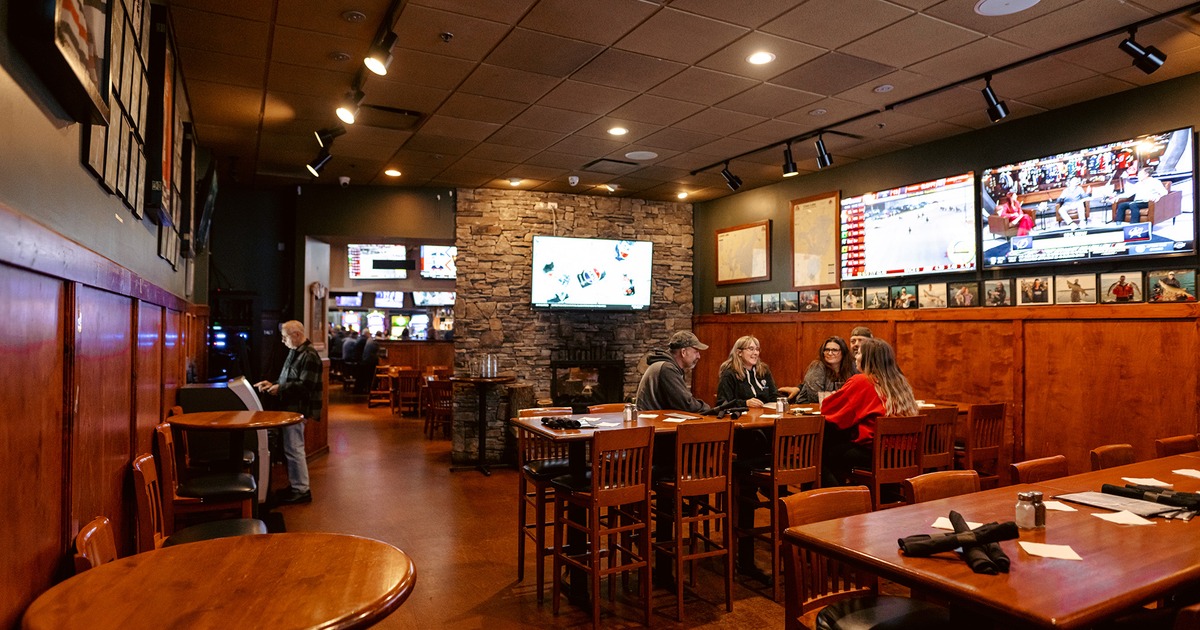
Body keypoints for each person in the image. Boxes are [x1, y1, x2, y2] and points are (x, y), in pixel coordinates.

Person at [819, 338, 918, 487]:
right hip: (904, 455)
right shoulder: (899, 382)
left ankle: (839, 503)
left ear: (867, 359)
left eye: (859, 353)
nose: (855, 357)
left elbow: (830, 411)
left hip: (875, 454)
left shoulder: (863, 381)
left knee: (818, 453)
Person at [254, 320, 322, 505]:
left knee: (295, 449)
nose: (283, 341)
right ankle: (296, 486)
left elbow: (306, 386)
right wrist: (274, 384)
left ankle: (301, 490)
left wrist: (280, 389)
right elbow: (288, 378)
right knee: (291, 449)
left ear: (297, 335)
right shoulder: (296, 352)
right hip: (289, 409)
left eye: (285, 337)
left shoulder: (310, 356)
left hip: (298, 410)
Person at [636, 331, 711, 413]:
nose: (699, 356)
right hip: (654, 423)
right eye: (696, 351)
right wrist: (708, 409)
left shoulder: (668, 366)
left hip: (655, 420)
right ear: (683, 352)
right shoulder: (667, 369)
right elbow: (685, 404)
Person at [716, 335, 785, 408]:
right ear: (739, 352)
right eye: (751, 349)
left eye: (757, 349)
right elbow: (723, 403)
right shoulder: (729, 374)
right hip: (741, 416)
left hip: (765, 414)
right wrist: (745, 403)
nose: (756, 353)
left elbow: (773, 395)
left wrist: (786, 401)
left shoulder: (763, 370)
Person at [795, 336, 857, 403]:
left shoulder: (851, 366)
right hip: (808, 408)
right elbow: (815, 396)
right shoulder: (817, 367)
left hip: (839, 407)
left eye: (834, 350)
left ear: (843, 352)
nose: (830, 353)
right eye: (827, 350)